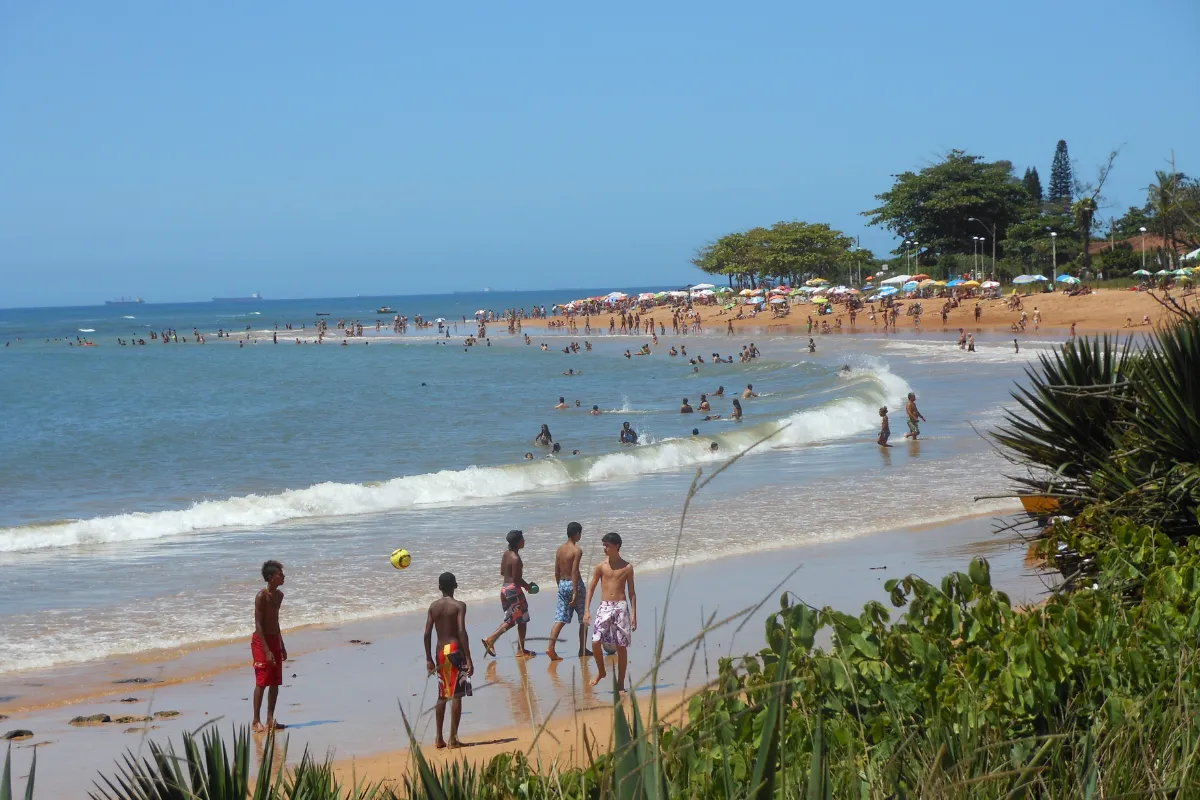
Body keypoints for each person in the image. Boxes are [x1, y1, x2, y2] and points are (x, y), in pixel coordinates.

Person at [424, 572, 473, 749]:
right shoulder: (459, 606)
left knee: (442, 694)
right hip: (454, 650)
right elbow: (461, 631)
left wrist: (429, 658)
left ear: (439, 587)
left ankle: (438, 738)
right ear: (456, 585)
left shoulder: (433, 607)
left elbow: (427, 634)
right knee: (457, 694)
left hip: (440, 652)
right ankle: (453, 738)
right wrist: (468, 656)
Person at [584, 532, 637, 691]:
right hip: (605, 606)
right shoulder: (601, 566)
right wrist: (587, 609)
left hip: (621, 607)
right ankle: (601, 672)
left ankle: (620, 684)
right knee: (595, 641)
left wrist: (634, 613)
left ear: (617, 547)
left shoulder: (627, 567)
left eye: (607, 545)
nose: (604, 548)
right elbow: (591, 588)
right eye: (603, 545)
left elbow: (632, 592)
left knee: (621, 646)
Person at [481, 530, 536, 659]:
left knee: (514, 619)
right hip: (513, 591)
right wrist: (528, 586)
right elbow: (517, 579)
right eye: (522, 539)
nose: (524, 541)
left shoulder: (506, 554)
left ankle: (496, 641)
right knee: (521, 620)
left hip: (504, 589)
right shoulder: (516, 558)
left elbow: (502, 572)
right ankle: (494, 640)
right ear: (517, 542)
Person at [251, 560, 288, 733]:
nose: (283, 577)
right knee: (262, 681)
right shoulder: (261, 597)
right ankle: (256, 720)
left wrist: (282, 644)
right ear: (271, 577)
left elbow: (276, 622)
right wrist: (266, 650)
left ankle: (270, 719)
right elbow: (259, 625)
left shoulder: (279, 596)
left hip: (274, 639)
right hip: (261, 641)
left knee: (275, 681)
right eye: (280, 574)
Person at [547, 522, 587, 660]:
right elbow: (575, 571)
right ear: (577, 534)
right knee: (583, 618)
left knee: (560, 618)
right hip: (574, 584)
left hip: (562, 584)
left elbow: (556, 571)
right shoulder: (577, 551)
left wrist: (560, 586)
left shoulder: (559, 550)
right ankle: (582, 649)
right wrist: (575, 591)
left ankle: (550, 648)